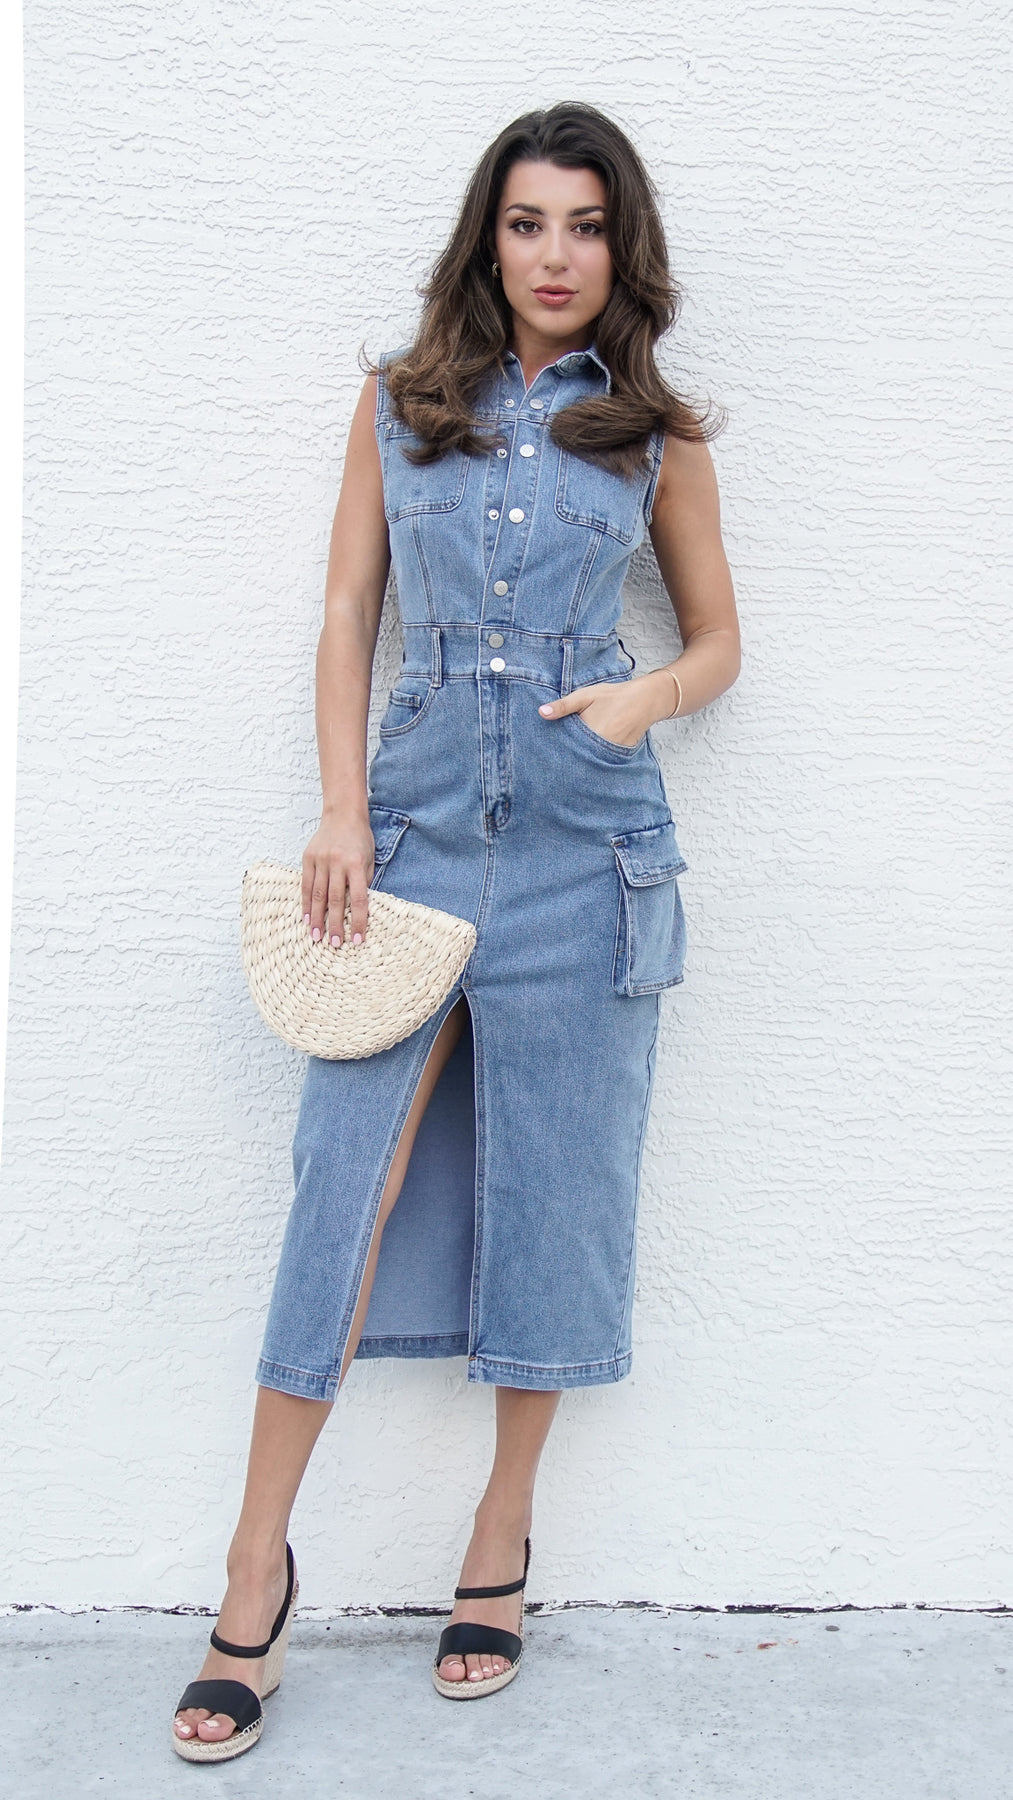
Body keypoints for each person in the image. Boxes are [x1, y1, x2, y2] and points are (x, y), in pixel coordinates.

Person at [172, 99, 740, 1762]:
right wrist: (341, 810)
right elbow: (350, 605)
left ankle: (498, 1538)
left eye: (586, 226)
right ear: (486, 239)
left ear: (621, 249)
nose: (556, 256)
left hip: (587, 845)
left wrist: (638, 701)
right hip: (408, 840)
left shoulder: (653, 432)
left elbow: (718, 641)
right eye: (526, 222)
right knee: (334, 1195)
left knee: (557, 1196)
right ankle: (254, 1567)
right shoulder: (399, 403)